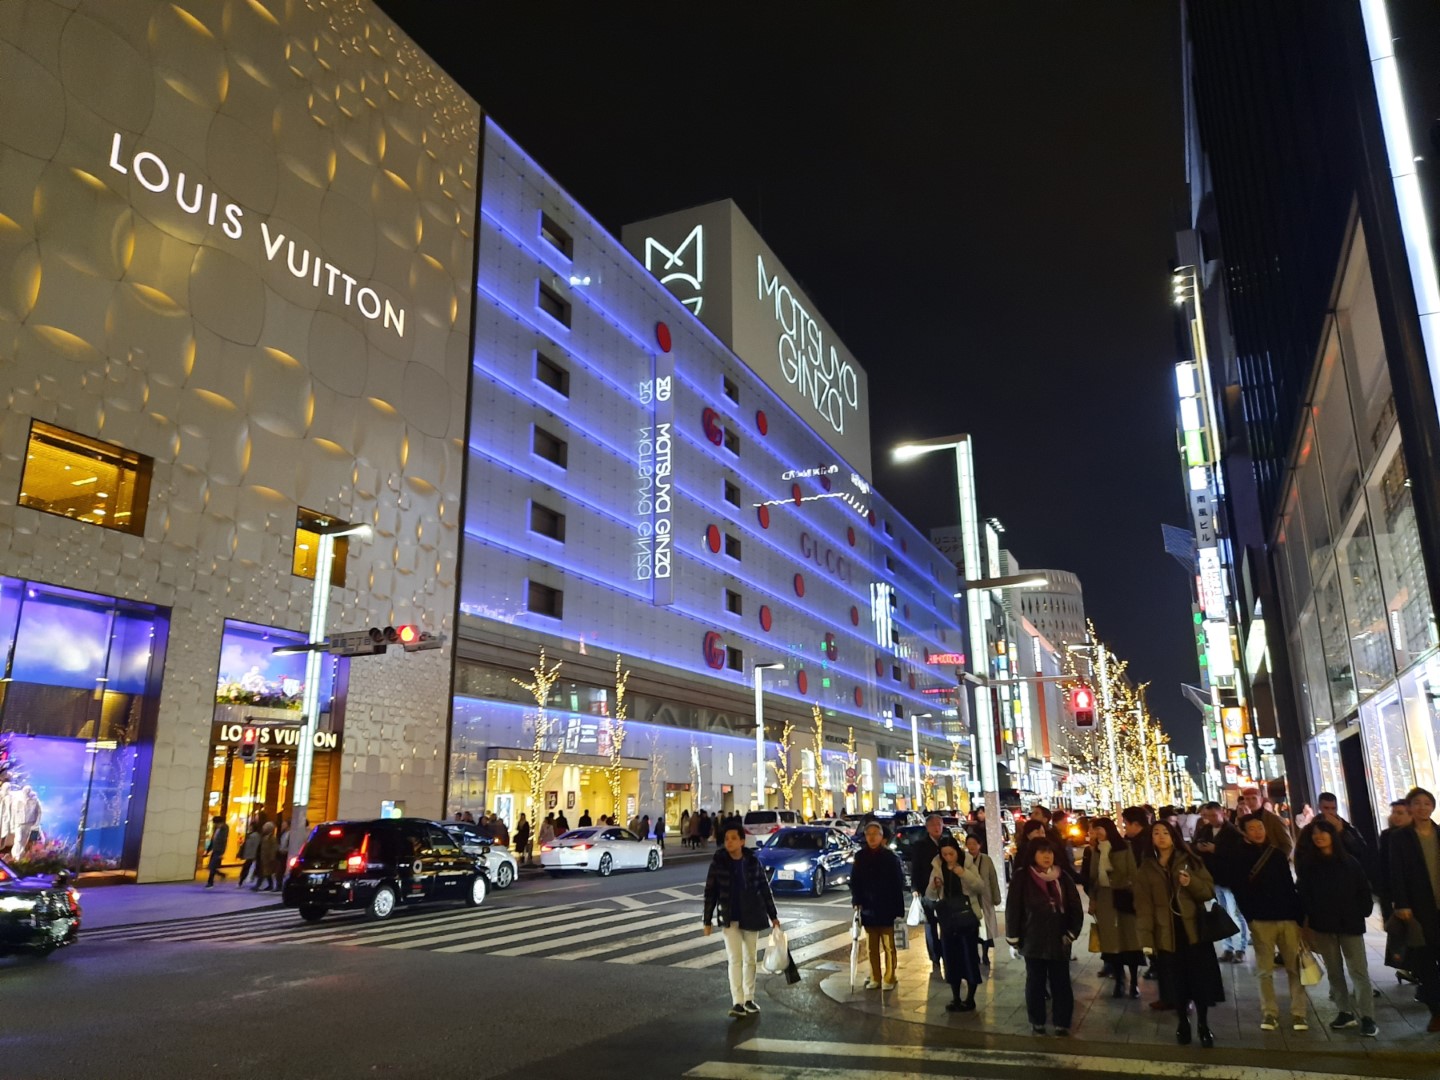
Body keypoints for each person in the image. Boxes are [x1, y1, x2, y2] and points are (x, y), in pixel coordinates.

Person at [1134, 820, 1222, 1048]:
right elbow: (1143, 907)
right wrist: (1146, 940)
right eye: (1156, 833)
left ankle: (1203, 1024)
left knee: (1200, 982)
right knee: (1177, 983)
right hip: (1166, 935)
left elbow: (1208, 890)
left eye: (1166, 832)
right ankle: (1182, 1022)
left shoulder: (1191, 860)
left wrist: (1190, 882)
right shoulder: (1146, 868)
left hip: (1193, 932)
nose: (1161, 836)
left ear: (1174, 836)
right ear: (1151, 838)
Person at [1230, 812, 1310, 1033]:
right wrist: (1251, 918)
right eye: (1253, 828)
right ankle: (1270, 1012)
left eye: (1260, 828)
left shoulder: (1275, 854)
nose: (1258, 832)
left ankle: (1299, 1013)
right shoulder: (1239, 857)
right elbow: (1240, 891)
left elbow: (1288, 886)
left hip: (1287, 918)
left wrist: (1297, 917)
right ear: (1244, 833)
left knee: (1294, 968)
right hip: (1261, 921)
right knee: (1265, 970)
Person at [1297, 817, 1377, 1036]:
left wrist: (1363, 911)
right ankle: (1344, 1012)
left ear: (1333, 836)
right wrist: (1311, 914)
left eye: (1323, 832)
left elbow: (1363, 890)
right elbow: (1304, 893)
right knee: (1334, 971)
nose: (1319, 836)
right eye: (1315, 833)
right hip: (1323, 925)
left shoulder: (1349, 862)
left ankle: (1368, 1016)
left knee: (1358, 971)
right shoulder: (1308, 865)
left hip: (1350, 924)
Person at [702, 822, 780, 1018]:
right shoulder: (719, 862)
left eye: (733, 838)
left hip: (751, 914)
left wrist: (773, 916)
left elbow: (764, 888)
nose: (729, 842)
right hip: (730, 917)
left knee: (750, 959)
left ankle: (749, 998)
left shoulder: (752, 861)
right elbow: (710, 891)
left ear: (742, 841)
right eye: (727, 839)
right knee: (735, 959)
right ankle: (737, 1002)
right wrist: (707, 919)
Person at [1006, 839, 1083, 1036]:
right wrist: (1013, 937)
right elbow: (1013, 908)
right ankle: (1037, 1020)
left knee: (1061, 981)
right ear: (1033, 855)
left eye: (1050, 852)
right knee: (1035, 981)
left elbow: (1075, 907)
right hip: (1033, 938)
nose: (1047, 856)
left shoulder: (1062, 877)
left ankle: (1062, 1021)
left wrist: (1072, 933)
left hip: (1060, 939)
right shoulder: (1022, 878)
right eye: (1042, 852)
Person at [1389, 786, 1440, 1032]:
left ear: (1433, 807)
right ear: (1410, 807)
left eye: (1427, 803)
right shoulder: (1400, 838)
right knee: (1426, 961)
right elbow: (1395, 873)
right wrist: (1401, 903)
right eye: (1417, 803)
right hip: (1419, 909)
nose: (1422, 807)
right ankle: (1436, 1011)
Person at [1082, 817, 1143, 998]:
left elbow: (1133, 873)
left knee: (1130, 940)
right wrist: (1093, 899)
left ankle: (1133, 982)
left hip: (1124, 897)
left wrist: (1126, 887)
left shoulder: (1124, 847)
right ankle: (1119, 980)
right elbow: (1092, 877)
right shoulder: (1095, 850)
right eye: (1094, 830)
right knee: (1111, 943)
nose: (1097, 833)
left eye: (1100, 829)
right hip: (1104, 899)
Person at [925, 834, 986, 1011]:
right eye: (944, 854)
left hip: (967, 918)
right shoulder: (937, 866)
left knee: (969, 957)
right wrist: (934, 886)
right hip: (948, 919)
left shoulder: (967, 863)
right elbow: (929, 895)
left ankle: (971, 998)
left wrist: (963, 873)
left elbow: (980, 886)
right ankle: (956, 997)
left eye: (951, 854)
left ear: (957, 852)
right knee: (951, 959)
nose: (948, 858)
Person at [849, 820, 907, 990]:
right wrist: (856, 901)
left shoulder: (890, 858)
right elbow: (855, 882)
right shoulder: (860, 856)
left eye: (875, 834)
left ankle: (890, 977)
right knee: (871, 947)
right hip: (868, 907)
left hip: (887, 907)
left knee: (889, 946)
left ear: (882, 837)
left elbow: (898, 883)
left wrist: (899, 908)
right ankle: (875, 977)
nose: (872, 837)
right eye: (869, 834)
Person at [1193, 801, 1248, 962]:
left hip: (1230, 879)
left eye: (1213, 815)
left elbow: (1238, 854)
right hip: (1213, 879)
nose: (1210, 819)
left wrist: (1215, 849)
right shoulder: (1205, 830)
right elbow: (1195, 846)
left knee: (1236, 913)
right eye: (1207, 816)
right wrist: (1199, 848)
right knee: (1221, 913)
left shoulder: (1233, 832)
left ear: (1222, 812)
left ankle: (1240, 948)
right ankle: (1228, 947)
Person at [909, 814, 948, 978]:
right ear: (927, 827)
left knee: (946, 925)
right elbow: (915, 868)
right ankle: (934, 957)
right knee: (930, 925)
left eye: (939, 824)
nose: (936, 827)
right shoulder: (920, 845)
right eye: (933, 825)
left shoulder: (947, 842)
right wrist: (915, 888)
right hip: (927, 890)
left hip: (946, 891)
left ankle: (946, 953)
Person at [964, 833, 1001, 966]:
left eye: (975, 843)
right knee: (972, 928)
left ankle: (985, 955)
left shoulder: (986, 860)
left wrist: (996, 897)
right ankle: (974, 955)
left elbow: (993, 878)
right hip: (970, 899)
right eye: (969, 843)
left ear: (980, 845)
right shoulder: (963, 859)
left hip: (985, 898)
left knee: (986, 928)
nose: (972, 846)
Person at [1377, 799, 1411, 922]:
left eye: (1400, 813)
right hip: (1391, 890)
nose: (1395, 816)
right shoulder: (1387, 836)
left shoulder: (1415, 835)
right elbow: (1383, 868)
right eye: (1393, 812)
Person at [1239, 786, 1293, 856]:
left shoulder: (1274, 819)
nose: (1251, 802)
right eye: (1247, 799)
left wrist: (1278, 861)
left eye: (1254, 798)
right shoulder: (1243, 818)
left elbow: (1287, 845)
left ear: (1261, 800)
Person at [254, 821, 281, 891]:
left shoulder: (272, 838)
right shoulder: (265, 837)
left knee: (265, 872)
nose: (263, 828)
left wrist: (272, 857)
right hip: (263, 857)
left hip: (268, 858)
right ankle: (269, 885)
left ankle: (259, 885)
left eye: (265, 827)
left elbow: (273, 848)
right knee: (265, 872)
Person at [205, 815, 229, 888]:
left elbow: (223, 841)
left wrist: (222, 852)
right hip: (215, 849)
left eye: (216, 823)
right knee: (211, 866)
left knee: (212, 866)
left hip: (219, 850)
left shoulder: (224, 829)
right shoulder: (217, 829)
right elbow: (213, 840)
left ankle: (210, 882)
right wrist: (208, 850)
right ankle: (221, 875)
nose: (215, 824)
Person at [237, 819, 261, 889]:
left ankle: (241, 882)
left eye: (251, 826)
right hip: (250, 855)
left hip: (251, 856)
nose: (249, 827)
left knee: (246, 869)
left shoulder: (254, 836)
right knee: (247, 869)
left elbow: (254, 846)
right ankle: (241, 881)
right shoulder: (252, 835)